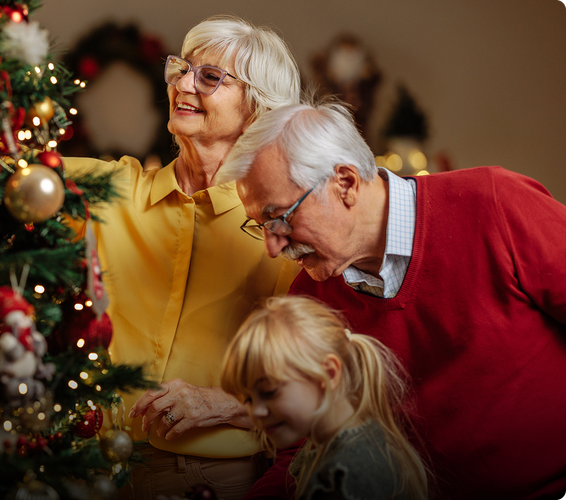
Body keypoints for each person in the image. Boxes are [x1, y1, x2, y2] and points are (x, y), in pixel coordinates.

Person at [217, 98, 566, 499]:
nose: (272, 247)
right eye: (259, 225)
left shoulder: (495, 203)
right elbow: (304, 450)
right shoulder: (309, 299)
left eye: (279, 218)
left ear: (345, 183)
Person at [63, 15, 301, 499]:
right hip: (96, 467)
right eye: (181, 69)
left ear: (256, 106)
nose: (183, 85)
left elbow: (327, 378)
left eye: (209, 77)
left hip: (214, 478)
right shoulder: (116, 189)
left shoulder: (285, 226)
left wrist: (230, 405)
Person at [221, 295, 429, 500]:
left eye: (269, 392)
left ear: (328, 373)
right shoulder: (345, 441)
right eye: (248, 400)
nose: (255, 411)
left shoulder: (346, 475)